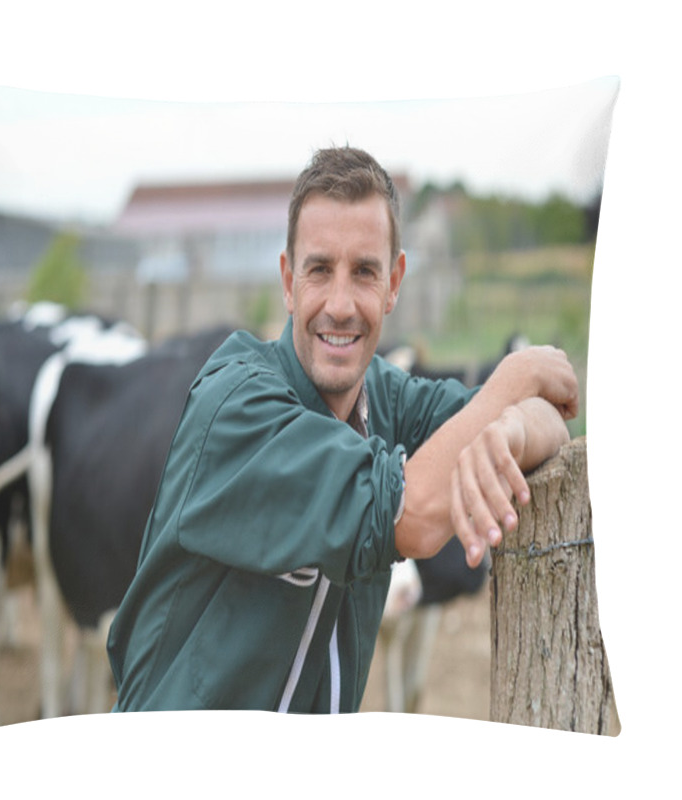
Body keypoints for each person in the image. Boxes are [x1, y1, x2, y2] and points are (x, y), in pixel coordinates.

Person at [106, 146, 578, 713]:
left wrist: (511, 433)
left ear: (394, 282)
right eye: (320, 269)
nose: (340, 304)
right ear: (287, 280)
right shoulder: (238, 407)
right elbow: (418, 515)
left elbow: (554, 413)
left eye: (364, 272)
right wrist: (510, 384)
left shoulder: (386, 395)